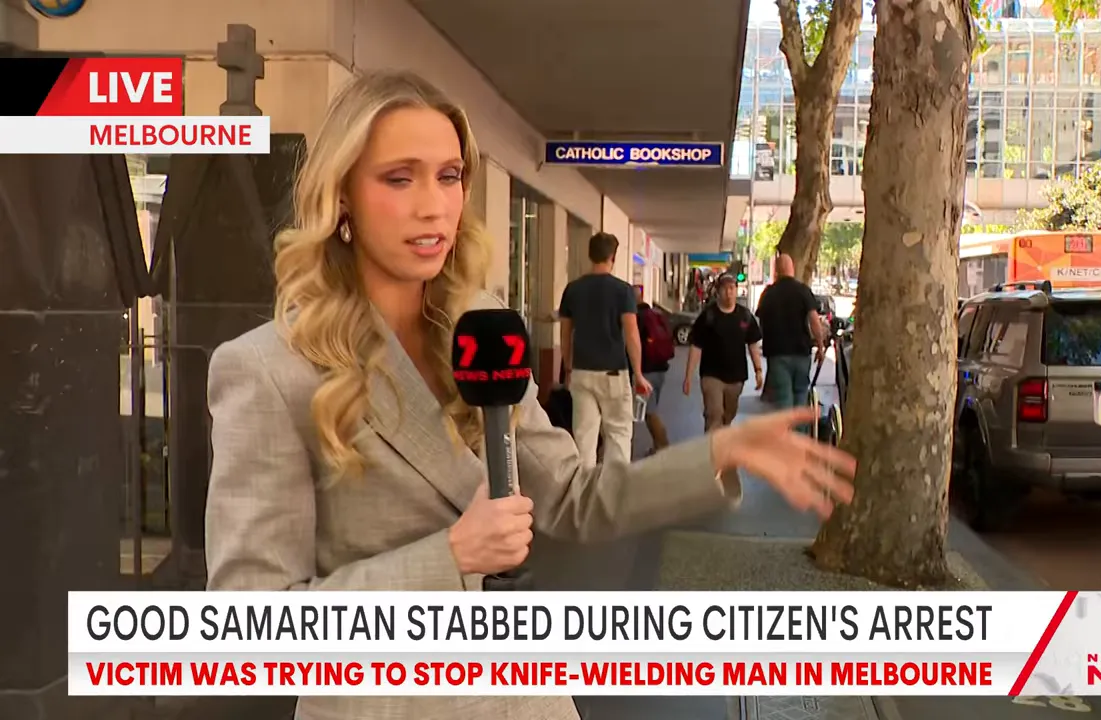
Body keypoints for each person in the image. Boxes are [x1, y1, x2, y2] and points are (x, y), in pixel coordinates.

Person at [203, 70, 856, 720]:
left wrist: (718, 452)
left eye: (450, 176)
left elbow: (571, 497)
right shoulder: (266, 370)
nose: (433, 205)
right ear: (340, 195)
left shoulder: (483, 328)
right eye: (399, 178)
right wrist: (450, 558)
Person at [558, 232, 650, 466]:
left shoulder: (573, 289)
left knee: (584, 439)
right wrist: (638, 373)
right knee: (618, 436)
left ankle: (584, 496)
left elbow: (566, 332)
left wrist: (568, 367)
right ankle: (615, 495)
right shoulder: (623, 291)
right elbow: (631, 333)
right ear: (613, 256)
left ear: (591, 254)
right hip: (613, 373)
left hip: (581, 372)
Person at [683, 273, 764, 431]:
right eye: (725, 288)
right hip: (711, 375)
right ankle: (712, 452)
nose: (729, 292)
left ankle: (723, 440)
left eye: (732, 288)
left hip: (736, 377)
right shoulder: (708, 316)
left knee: (728, 415)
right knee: (714, 413)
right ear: (718, 291)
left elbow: (753, 344)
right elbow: (696, 346)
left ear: (736, 290)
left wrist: (758, 370)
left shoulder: (745, 316)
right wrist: (688, 376)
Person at [755, 253, 827, 409]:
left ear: (776, 271)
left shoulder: (768, 294)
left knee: (783, 399)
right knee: (800, 395)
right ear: (792, 269)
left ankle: (786, 430)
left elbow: (761, 323)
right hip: (801, 353)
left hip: (777, 354)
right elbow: (814, 321)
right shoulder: (802, 291)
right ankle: (799, 431)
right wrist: (820, 347)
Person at [634, 284, 674, 452]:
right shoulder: (656, 315)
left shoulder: (637, 318)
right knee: (651, 408)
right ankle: (658, 446)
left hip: (646, 371)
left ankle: (663, 446)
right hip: (660, 369)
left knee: (649, 411)